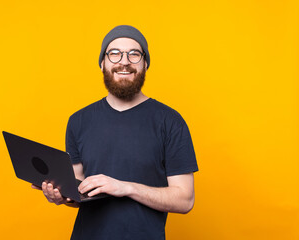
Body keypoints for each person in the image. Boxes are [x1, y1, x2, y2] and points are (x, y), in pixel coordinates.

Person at [32, 25, 199, 240]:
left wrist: (125, 187)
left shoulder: (171, 122)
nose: (124, 61)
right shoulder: (78, 121)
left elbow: (185, 200)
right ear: (103, 64)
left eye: (134, 54)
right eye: (114, 54)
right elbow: (80, 191)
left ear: (145, 64)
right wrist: (62, 196)